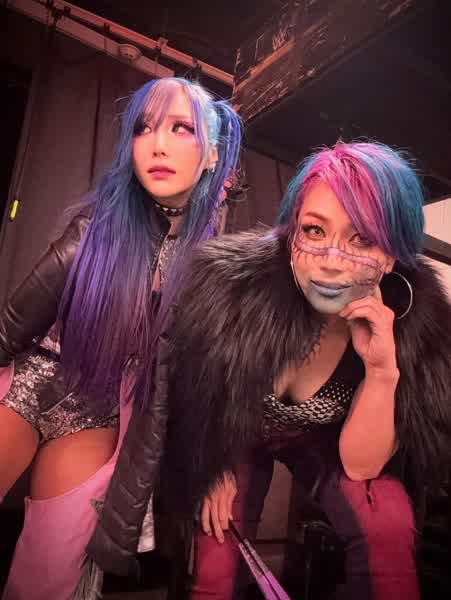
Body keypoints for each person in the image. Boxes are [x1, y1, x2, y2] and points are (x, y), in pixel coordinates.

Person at [158, 141, 451, 599]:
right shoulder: (235, 289)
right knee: (216, 557)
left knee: (387, 521)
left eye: (363, 239)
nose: (332, 261)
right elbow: (196, 392)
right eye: (314, 230)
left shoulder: (414, 326)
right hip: (234, 431)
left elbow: (360, 466)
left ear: (392, 255)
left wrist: (382, 371)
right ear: (292, 231)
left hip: (321, 439)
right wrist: (211, 463)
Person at [0, 76, 241, 599]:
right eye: (144, 128)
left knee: (48, 577)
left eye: (181, 128)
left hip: (98, 414)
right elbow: (9, 328)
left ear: (213, 156)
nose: (157, 144)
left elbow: (201, 384)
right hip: (32, 382)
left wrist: (216, 465)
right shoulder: (96, 230)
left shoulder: (213, 269)